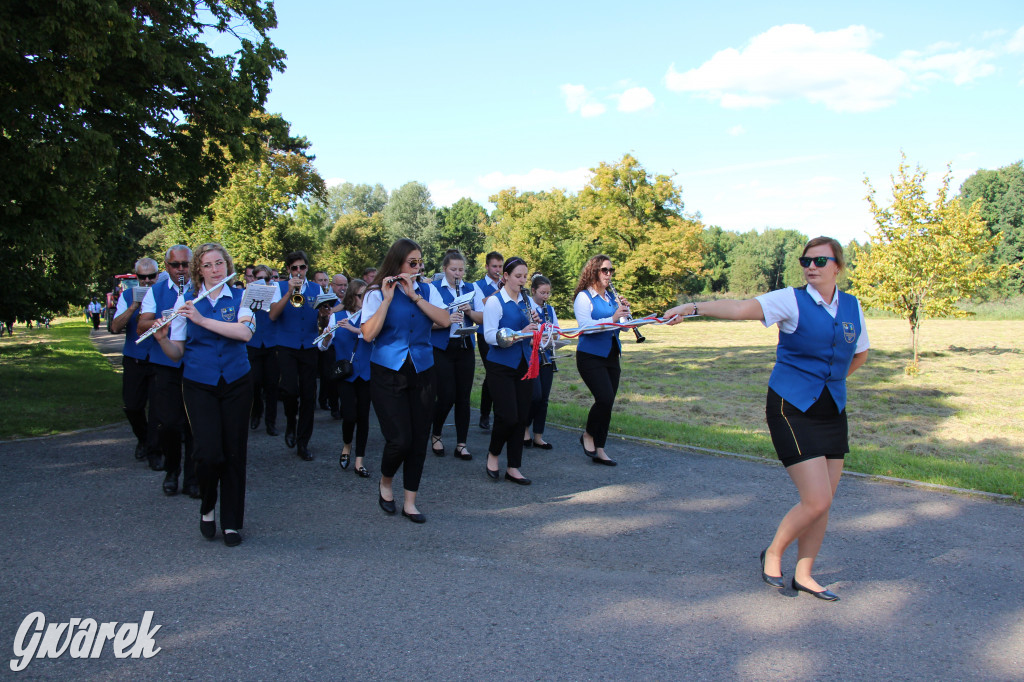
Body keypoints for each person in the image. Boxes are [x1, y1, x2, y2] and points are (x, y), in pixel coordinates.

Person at [664, 236, 869, 601]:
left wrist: (828, 382)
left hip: (831, 409)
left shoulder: (852, 305)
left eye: (820, 261)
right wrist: (693, 307)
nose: (811, 267)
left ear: (837, 266)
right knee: (816, 500)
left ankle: (805, 574)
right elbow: (741, 307)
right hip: (791, 407)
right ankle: (773, 553)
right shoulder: (790, 299)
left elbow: (860, 354)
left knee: (824, 502)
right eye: (806, 260)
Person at [152, 242, 254, 547]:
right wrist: (160, 338)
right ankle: (208, 505)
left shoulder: (242, 296)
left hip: (237, 380)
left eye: (219, 263)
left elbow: (244, 333)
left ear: (227, 265)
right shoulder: (187, 300)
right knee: (208, 454)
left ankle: (232, 522)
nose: (215, 270)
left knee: (234, 453)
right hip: (199, 383)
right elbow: (176, 353)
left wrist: (201, 319)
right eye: (208, 265)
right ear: (199, 269)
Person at [360, 239, 451, 523]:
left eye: (420, 262)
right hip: (388, 371)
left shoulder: (428, 289)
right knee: (400, 439)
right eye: (412, 263)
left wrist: (415, 296)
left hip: (423, 370)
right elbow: (367, 334)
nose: (418, 267)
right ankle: (386, 482)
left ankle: (410, 501)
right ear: (397, 263)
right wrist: (388, 299)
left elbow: (445, 321)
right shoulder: (376, 293)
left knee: (418, 439)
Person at [138, 245, 197, 492]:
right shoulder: (156, 290)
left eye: (186, 264)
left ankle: (192, 478)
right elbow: (142, 325)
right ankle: (172, 470)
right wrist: (160, 321)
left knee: (194, 423)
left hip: (194, 362)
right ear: (167, 267)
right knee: (170, 423)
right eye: (175, 265)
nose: (181, 269)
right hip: (165, 364)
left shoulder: (202, 288)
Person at [482, 256, 538, 485]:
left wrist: (538, 329)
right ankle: (493, 454)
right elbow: (488, 336)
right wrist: (522, 333)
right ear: (505, 277)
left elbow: (535, 331)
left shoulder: (528, 302)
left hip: (524, 364)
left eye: (525, 276)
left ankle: (514, 466)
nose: (522, 281)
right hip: (501, 366)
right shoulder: (495, 302)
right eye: (518, 276)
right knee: (508, 416)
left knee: (522, 417)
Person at [268, 251, 327, 461]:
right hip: (286, 345)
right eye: (295, 268)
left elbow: (322, 321)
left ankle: (303, 442)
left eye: (302, 267)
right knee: (290, 390)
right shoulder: (279, 287)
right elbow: (273, 315)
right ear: (288, 270)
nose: (299, 271)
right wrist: (289, 292)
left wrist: (325, 316)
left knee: (309, 395)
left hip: (309, 346)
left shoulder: (316, 288)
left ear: (307, 268)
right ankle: (291, 422)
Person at [573, 255, 629, 466]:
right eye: (604, 270)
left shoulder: (612, 298)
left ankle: (601, 448)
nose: (609, 274)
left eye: (611, 270)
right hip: (590, 356)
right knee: (604, 398)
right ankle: (588, 434)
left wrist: (625, 314)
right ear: (594, 271)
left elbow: (622, 326)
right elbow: (585, 326)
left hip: (612, 355)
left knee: (608, 403)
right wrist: (613, 318)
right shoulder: (584, 297)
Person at [429, 250, 483, 461]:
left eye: (461, 269)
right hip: (442, 348)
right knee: (446, 395)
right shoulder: (433, 289)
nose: (458, 273)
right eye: (453, 269)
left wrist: (469, 312)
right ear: (444, 270)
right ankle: (436, 434)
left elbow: (482, 318)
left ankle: (462, 443)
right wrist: (447, 320)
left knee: (463, 397)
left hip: (465, 346)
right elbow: (427, 324)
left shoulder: (471, 288)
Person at [318, 279, 372, 477]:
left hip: (366, 372)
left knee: (364, 416)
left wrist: (354, 329)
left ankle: (360, 460)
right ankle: (347, 444)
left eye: (366, 296)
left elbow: (373, 336)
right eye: (360, 296)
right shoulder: (337, 316)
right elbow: (322, 347)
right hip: (346, 374)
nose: (364, 300)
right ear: (351, 297)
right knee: (349, 415)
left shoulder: (371, 316)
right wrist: (326, 336)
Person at [111, 258, 160, 462]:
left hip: (159, 358)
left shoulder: (166, 294)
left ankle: (156, 451)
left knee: (159, 409)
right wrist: (134, 306)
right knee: (132, 406)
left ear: (158, 275)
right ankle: (144, 438)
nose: (147, 281)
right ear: (136, 276)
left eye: (151, 277)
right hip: (134, 357)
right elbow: (115, 327)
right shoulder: (127, 295)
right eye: (142, 277)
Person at [524, 273, 557, 449]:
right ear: (534, 291)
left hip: (547, 355)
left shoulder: (550, 310)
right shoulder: (526, 307)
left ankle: (538, 435)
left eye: (547, 293)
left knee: (544, 397)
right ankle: (524, 429)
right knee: (534, 396)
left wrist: (552, 338)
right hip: (531, 355)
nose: (545, 297)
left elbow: (556, 330)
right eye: (542, 293)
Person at [246, 265, 280, 436]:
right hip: (253, 342)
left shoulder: (276, 291)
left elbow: (276, 314)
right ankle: (256, 412)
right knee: (255, 382)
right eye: (258, 278)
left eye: (266, 279)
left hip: (272, 343)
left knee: (272, 385)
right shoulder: (247, 291)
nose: (263, 282)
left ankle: (271, 422)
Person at [473, 251, 504, 430]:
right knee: (492, 372)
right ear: (486, 267)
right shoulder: (477, 285)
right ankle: (485, 413)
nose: (497, 270)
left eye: (500, 266)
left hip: (503, 332)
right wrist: (501, 290)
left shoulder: (507, 284)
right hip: (485, 334)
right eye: (494, 266)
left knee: (500, 372)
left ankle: (499, 411)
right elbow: (481, 304)